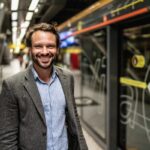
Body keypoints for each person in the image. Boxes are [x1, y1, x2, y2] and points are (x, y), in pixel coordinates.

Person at [0, 23, 88, 150]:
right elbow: (7, 139)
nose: (45, 51)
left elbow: (75, 121)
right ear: (30, 49)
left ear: (57, 49)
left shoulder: (67, 78)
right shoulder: (12, 85)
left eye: (50, 46)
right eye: (38, 46)